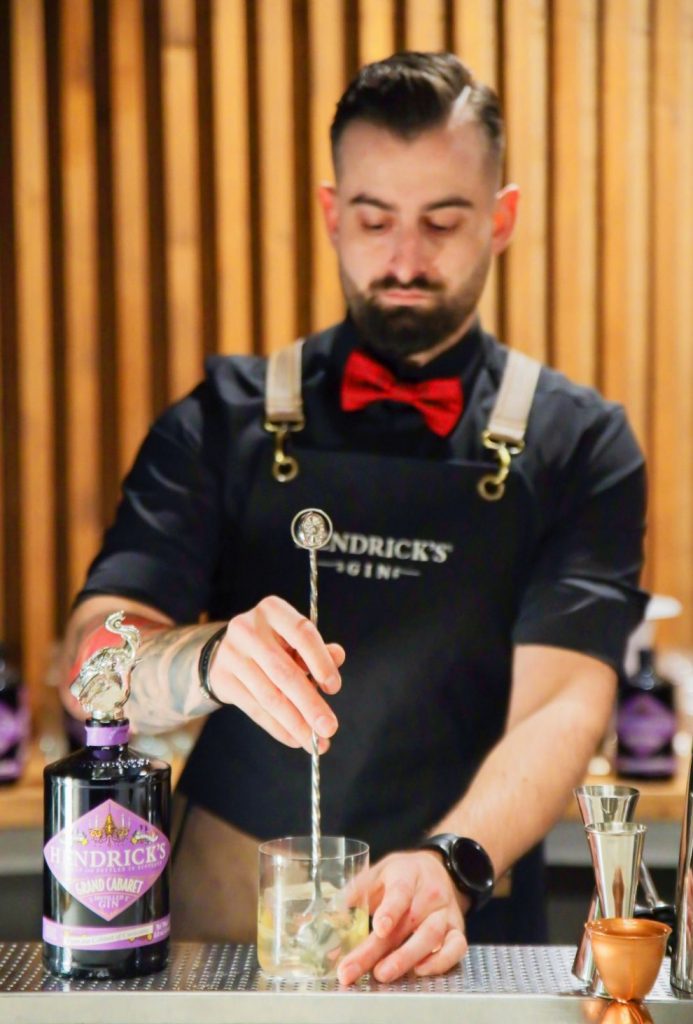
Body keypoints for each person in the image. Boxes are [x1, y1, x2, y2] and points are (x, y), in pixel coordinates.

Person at [58, 52, 647, 984]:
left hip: (463, 926)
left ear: (500, 220)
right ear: (332, 213)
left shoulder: (579, 443)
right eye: (374, 220)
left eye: (442, 222)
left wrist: (452, 863)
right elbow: (89, 660)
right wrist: (206, 659)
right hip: (229, 928)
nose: (405, 260)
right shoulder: (220, 421)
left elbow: (565, 702)